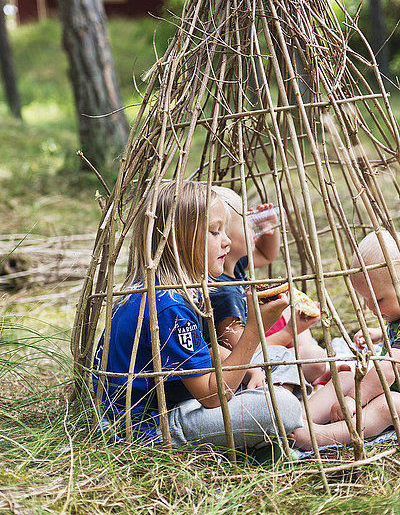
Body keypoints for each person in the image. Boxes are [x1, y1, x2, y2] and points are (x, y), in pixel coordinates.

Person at [93, 181, 303, 450]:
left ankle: (286, 428)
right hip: (150, 428)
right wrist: (254, 328)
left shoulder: (172, 292)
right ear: (178, 240)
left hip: (179, 400)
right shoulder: (168, 307)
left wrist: (251, 366)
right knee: (282, 407)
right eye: (215, 232)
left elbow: (205, 354)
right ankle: (298, 433)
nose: (226, 240)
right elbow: (213, 396)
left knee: (275, 365)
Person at [292, 229, 400, 450]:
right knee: (345, 378)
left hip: (394, 393)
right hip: (390, 386)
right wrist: (379, 333)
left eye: (378, 299)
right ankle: (298, 417)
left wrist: (354, 399)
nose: (370, 308)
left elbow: (389, 370)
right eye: (366, 300)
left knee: (389, 406)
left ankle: (322, 436)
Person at [210, 186, 326, 385]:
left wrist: (269, 233)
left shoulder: (232, 265)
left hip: (261, 334)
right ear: (226, 240)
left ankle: (308, 361)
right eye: (246, 223)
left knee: (292, 300)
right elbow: (242, 351)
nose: (252, 226)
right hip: (251, 359)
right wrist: (289, 332)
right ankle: (310, 371)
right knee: (315, 359)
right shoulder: (222, 293)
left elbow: (266, 255)